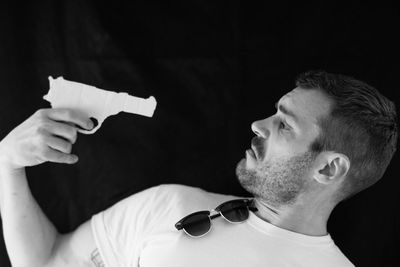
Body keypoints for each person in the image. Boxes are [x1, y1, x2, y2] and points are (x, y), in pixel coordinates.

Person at [0, 70, 397, 267]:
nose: (259, 125)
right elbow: (47, 262)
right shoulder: (169, 206)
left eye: (285, 124)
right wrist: (7, 163)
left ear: (328, 170)